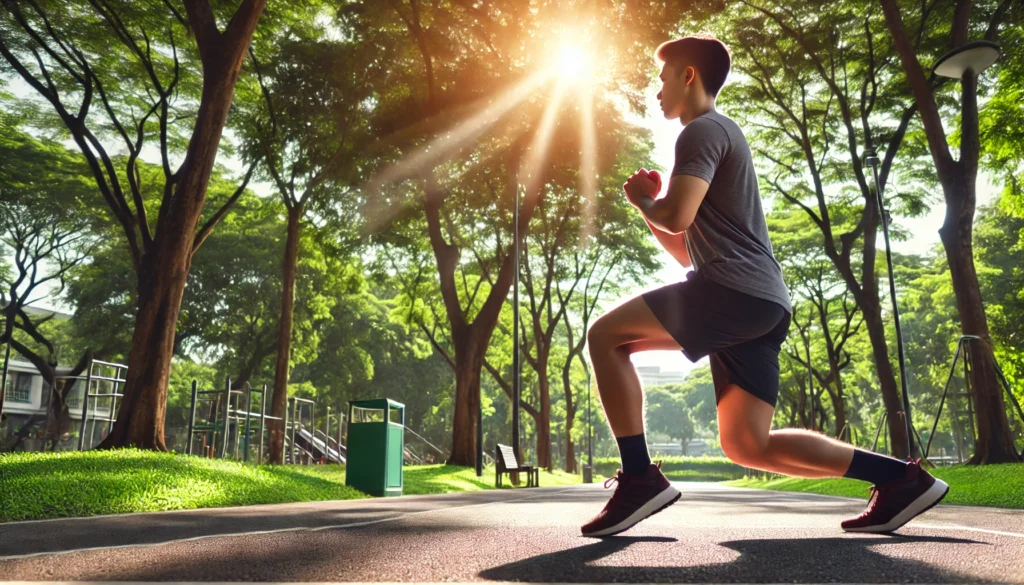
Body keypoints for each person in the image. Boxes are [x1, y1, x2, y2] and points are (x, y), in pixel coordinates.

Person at [580, 35, 948, 538]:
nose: (656, 89)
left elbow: (676, 215)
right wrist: (654, 211)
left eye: (662, 77)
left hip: (734, 293)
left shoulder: (702, 129)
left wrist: (646, 200)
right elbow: (689, 248)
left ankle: (640, 478)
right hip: (760, 302)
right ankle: (901, 480)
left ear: (689, 75)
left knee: (604, 336)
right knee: (747, 445)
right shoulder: (719, 134)